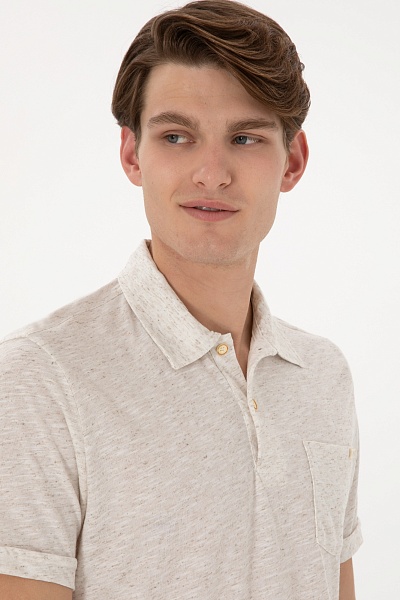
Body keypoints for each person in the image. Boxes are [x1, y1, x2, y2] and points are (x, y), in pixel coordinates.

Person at [0, 1, 362, 598]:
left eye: (244, 137)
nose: (211, 173)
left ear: (292, 161)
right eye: (176, 136)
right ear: (132, 154)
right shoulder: (40, 378)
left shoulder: (323, 376)